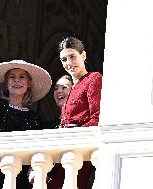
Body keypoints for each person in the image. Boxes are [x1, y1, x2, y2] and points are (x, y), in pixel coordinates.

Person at [0, 60, 52, 189]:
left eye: (22, 77)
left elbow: (38, 151)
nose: (16, 81)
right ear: (6, 84)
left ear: (29, 84)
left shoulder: (35, 118)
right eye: (12, 77)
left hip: (21, 180)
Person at [57, 36, 102, 189]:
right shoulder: (72, 88)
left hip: (80, 148)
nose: (68, 63)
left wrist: (74, 135)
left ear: (83, 56)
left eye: (72, 56)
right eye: (64, 59)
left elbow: (97, 118)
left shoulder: (94, 78)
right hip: (64, 149)